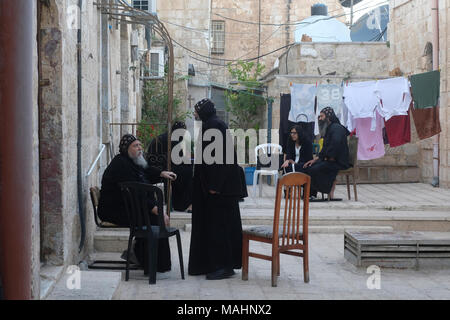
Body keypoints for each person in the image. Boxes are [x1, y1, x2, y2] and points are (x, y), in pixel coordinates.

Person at [97, 134, 177, 271]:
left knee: (153, 219)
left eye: (140, 145)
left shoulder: (132, 161)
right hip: (114, 210)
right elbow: (133, 191)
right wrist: (152, 208)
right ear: (126, 149)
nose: (140, 148)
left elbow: (146, 171)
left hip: (128, 206)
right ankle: (148, 261)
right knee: (152, 219)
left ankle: (144, 257)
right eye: (135, 146)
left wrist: (161, 173)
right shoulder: (121, 164)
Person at [188, 98, 247, 280]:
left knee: (220, 228)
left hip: (220, 189)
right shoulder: (212, 124)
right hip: (216, 187)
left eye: (197, 110)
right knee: (215, 226)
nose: (195, 114)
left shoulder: (214, 125)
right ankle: (212, 263)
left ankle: (224, 266)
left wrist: (215, 186)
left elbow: (223, 158)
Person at [303, 107, 350, 199]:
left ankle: (313, 194)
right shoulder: (330, 128)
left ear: (328, 117)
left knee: (314, 169)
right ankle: (311, 194)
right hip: (330, 160)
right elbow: (326, 148)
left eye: (321, 116)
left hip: (338, 162)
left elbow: (335, 145)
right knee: (310, 166)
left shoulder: (336, 128)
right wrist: (316, 159)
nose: (319, 119)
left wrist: (328, 157)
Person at [147, 121, 193, 212]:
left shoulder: (166, 137)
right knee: (187, 172)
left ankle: (180, 204)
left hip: (158, 168)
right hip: (160, 170)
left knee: (185, 171)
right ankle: (181, 204)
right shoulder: (175, 139)